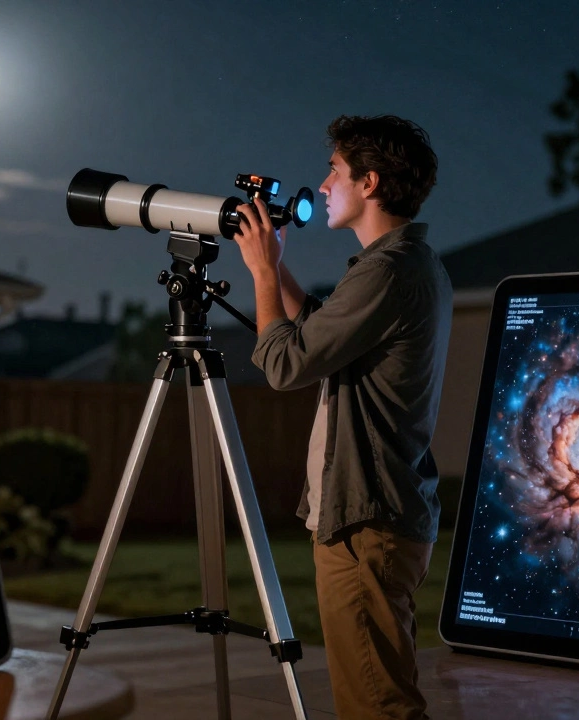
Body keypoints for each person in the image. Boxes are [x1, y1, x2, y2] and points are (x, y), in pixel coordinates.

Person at [230, 114, 452, 719]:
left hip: (365, 522)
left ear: (369, 182)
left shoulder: (387, 270)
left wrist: (259, 272)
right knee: (380, 693)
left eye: (334, 172)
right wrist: (276, 263)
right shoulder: (409, 263)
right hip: (379, 515)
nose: (324, 186)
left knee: (376, 706)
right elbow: (321, 332)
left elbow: (285, 364)